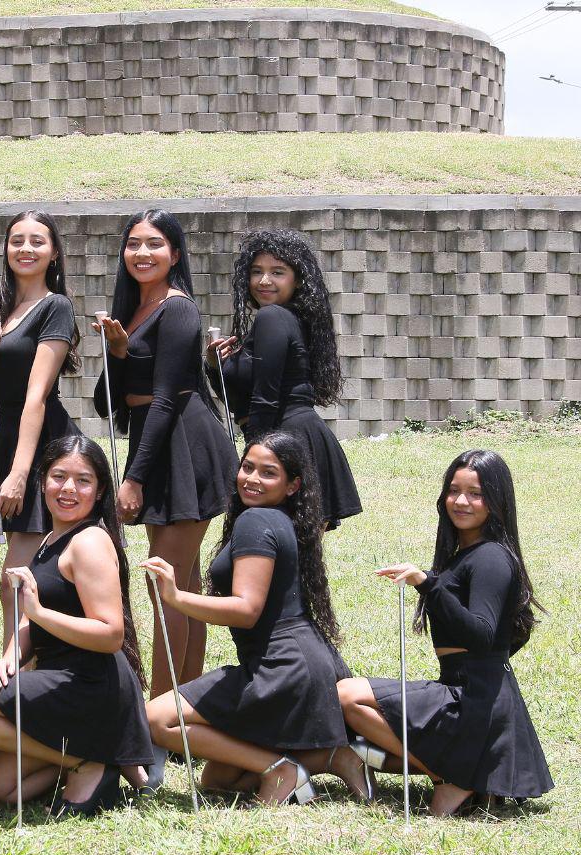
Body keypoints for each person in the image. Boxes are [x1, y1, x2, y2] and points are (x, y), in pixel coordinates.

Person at [143, 432, 367, 805]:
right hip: (306, 664)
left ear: (292, 485)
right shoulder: (277, 518)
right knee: (219, 777)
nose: (252, 479)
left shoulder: (256, 523)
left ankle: (284, 770)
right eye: (247, 467)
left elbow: (246, 610)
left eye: (268, 473)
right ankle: (330, 756)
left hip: (279, 668)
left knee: (158, 719)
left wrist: (176, 596)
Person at [338, 449, 553, 816]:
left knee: (348, 695)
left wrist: (428, 584)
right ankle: (454, 772)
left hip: (472, 696)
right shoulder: (466, 554)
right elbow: (512, 633)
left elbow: (483, 633)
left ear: (497, 500)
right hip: (466, 688)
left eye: (476, 493)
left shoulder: (490, 558)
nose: (461, 501)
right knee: (348, 699)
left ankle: (449, 775)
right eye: (454, 490)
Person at [0, 435, 153, 817]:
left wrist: (42, 613)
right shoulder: (52, 537)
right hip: (62, 680)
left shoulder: (90, 542)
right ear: (42, 480)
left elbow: (111, 634)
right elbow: (30, 620)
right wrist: (9, 659)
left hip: (91, 684)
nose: (68, 489)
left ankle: (86, 761)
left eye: (83, 480)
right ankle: (94, 757)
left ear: (100, 490)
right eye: (59, 476)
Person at [93, 209, 237, 697]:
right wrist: (118, 351)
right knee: (183, 588)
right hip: (156, 441)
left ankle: (161, 717)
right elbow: (104, 401)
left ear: (175, 253)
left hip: (184, 443)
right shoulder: (130, 310)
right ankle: (183, 707)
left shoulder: (178, 309)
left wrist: (132, 478)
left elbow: (169, 396)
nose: (142, 253)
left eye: (154, 244)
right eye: (133, 244)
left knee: (166, 590)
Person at [0, 210, 82, 646]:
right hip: (12, 435)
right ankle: (21, 669)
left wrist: (18, 472)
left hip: (43, 442)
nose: (25, 249)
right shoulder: (5, 314)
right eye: (17, 240)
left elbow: (37, 395)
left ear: (53, 253)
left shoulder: (56, 307)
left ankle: (16, 670)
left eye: (37, 241)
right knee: (23, 574)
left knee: (19, 574)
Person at [210, 229, 361, 529]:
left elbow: (265, 398)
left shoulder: (273, 318)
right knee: (293, 554)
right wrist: (216, 366)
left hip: (284, 439)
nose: (264, 281)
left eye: (277, 272)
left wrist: (254, 459)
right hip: (292, 438)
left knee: (273, 547)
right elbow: (239, 401)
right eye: (257, 272)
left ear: (298, 279)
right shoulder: (286, 318)